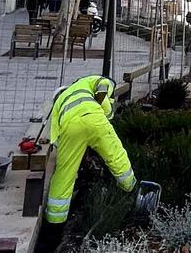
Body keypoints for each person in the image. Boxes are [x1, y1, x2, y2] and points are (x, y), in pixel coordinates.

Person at [36, 75, 135, 251]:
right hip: (95, 119)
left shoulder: (59, 106)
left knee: (64, 175)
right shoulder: (87, 81)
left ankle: (54, 226)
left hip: (71, 127)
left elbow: (56, 138)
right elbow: (104, 85)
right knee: (116, 155)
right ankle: (131, 190)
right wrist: (108, 114)